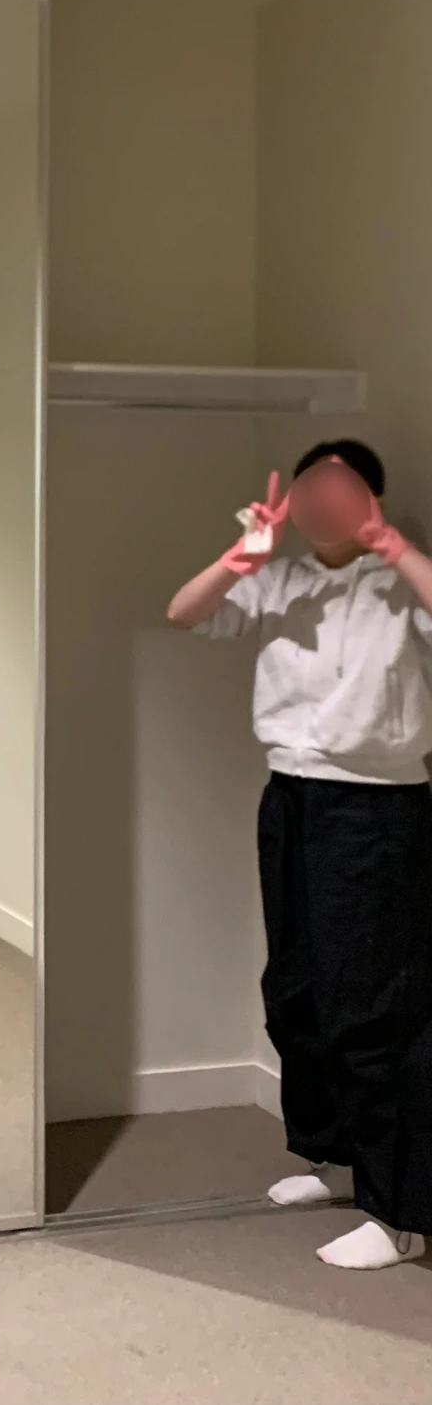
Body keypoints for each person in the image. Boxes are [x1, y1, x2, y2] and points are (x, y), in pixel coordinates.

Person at [168, 439, 432, 1270]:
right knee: (297, 989)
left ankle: (401, 1212)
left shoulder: (401, 579)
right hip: (290, 795)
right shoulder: (278, 579)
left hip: (377, 807)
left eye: (342, 491)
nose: (324, 504)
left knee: (372, 1006)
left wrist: (391, 545)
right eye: (312, 490)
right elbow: (184, 612)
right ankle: (336, 1157)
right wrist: (243, 554)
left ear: (370, 500)